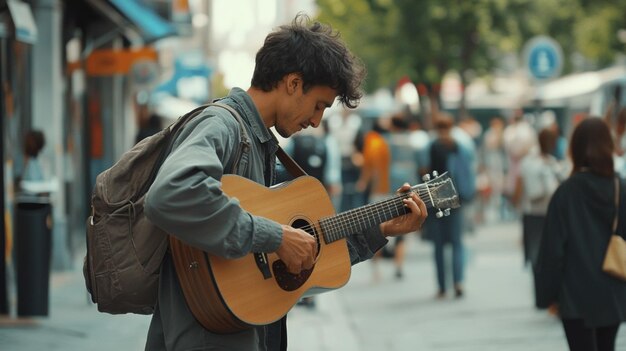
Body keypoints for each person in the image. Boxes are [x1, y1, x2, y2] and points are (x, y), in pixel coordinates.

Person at [143, 14, 428, 351]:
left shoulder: (260, 141)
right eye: (319, 104)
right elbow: (170, 193)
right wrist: (275, 235)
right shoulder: (221, 125)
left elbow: (303, 255)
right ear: (293, 83)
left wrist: (379, 230)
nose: (317, 119)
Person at [535, 117, 626, 351]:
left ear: (575, 148)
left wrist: (548, 295)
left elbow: (552, 249)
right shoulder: (620, 187)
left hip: (575, 293)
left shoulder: (566, 192)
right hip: (614, 288)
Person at [514, 127, 564, 307]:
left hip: (535, 213)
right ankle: (545, 298)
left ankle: (546, 298)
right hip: (538, 214)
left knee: (540, 256)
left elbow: (519, 186)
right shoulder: (545, 162)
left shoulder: (544, 162)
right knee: (539, 256)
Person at [423, 114, 471, 299]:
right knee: (457, 243)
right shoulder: (460, 146)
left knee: (439, 245)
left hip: (436, 198)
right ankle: (458, 282)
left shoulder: (431, 146)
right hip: (456, 196)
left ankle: (442, 286)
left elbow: (423, 171)